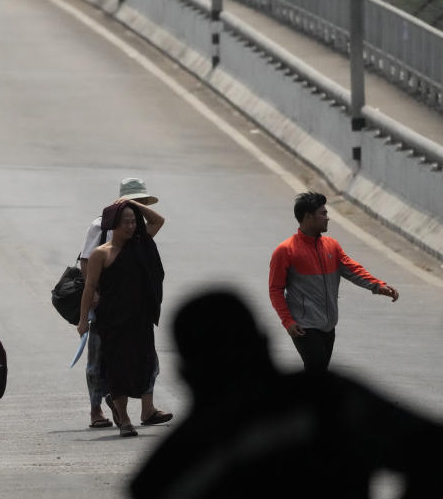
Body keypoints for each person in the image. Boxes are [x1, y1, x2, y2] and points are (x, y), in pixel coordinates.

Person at [131, 289, 442, 499]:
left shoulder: (169, 468)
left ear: (187, 376)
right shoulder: (331, 397)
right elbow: (430, 448)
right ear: (265, 344)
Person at [269, 192, 399, 372]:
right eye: (323, 213)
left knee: (318, 373)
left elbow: (353, 269)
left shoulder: (332, 246)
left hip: (329, 324)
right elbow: (275, 290)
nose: (327, 218)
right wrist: (288, 321)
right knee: (317, 368)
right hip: (303, 325)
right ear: (307, 217)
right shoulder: (285, 251)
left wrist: (377, 285)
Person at [77, 199, 171, 437]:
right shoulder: (101, 254)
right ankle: (125, 419)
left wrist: (132, 204)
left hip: (140, 320)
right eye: (125, 222)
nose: (130, 227)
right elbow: (89, 288)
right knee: (117, 370)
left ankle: (138, 410)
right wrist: (82, 320)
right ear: (113, 225)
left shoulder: (140, 244)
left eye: (133, 222)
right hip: (112, 322)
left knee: (144, 365)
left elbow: (158, 220)